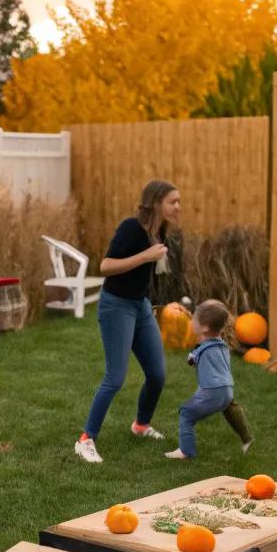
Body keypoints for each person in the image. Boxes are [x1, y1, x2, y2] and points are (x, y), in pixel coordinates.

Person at [75, 179, 182, 465]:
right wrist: (146, 255)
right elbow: (106, 266)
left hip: (140, 306)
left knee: (157, 373)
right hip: (116, 306)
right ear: (156, 202)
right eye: (173, 202)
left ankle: (141, 425)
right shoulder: (131, 228)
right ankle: (85, 440)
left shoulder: (160, 230)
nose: (178, 207)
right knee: (115, 377)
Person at [165, 299, 252, 459]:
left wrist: (190, 355)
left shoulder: (201, 349)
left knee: (186, 413)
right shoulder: (223, 345)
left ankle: (186, 451)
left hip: (212, 391)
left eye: (194, 320)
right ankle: (247, 439)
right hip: (227, 390)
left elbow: (191, 360)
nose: (191, 321)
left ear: (204, 328)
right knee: (229, 409)